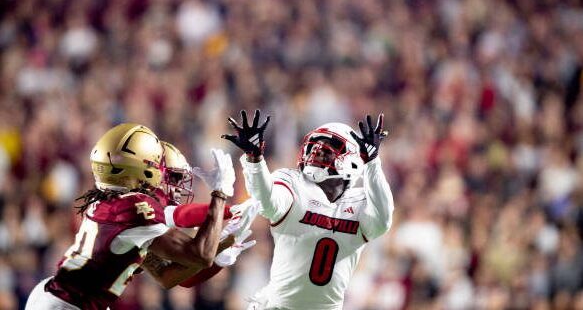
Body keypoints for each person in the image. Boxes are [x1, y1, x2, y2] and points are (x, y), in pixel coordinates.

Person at [25, 123, 236, 310]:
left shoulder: (118, 203)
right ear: (144, 171)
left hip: (62, 297)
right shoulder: (136, 207)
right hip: (69, 303)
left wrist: (225, 241)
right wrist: (220, 193)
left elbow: (166, 276)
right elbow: (201, 254)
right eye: (171, 176)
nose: (177, 188)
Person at [222, 110, 395, 310]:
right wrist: (255, 160)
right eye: (314, 147)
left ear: (354, 159)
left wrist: (373, 162)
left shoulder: (359, 202)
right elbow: (267, 201)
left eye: (328, 149)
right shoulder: (295, 184)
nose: (316, 153)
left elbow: (383, 221)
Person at [142, 141, 259, 288]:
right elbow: (179, 216)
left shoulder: (138, 216)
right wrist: (223, 198)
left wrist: (219, 258)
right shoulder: (131, 210)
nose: (177, 188)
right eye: (173, 178)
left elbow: (169, 277)